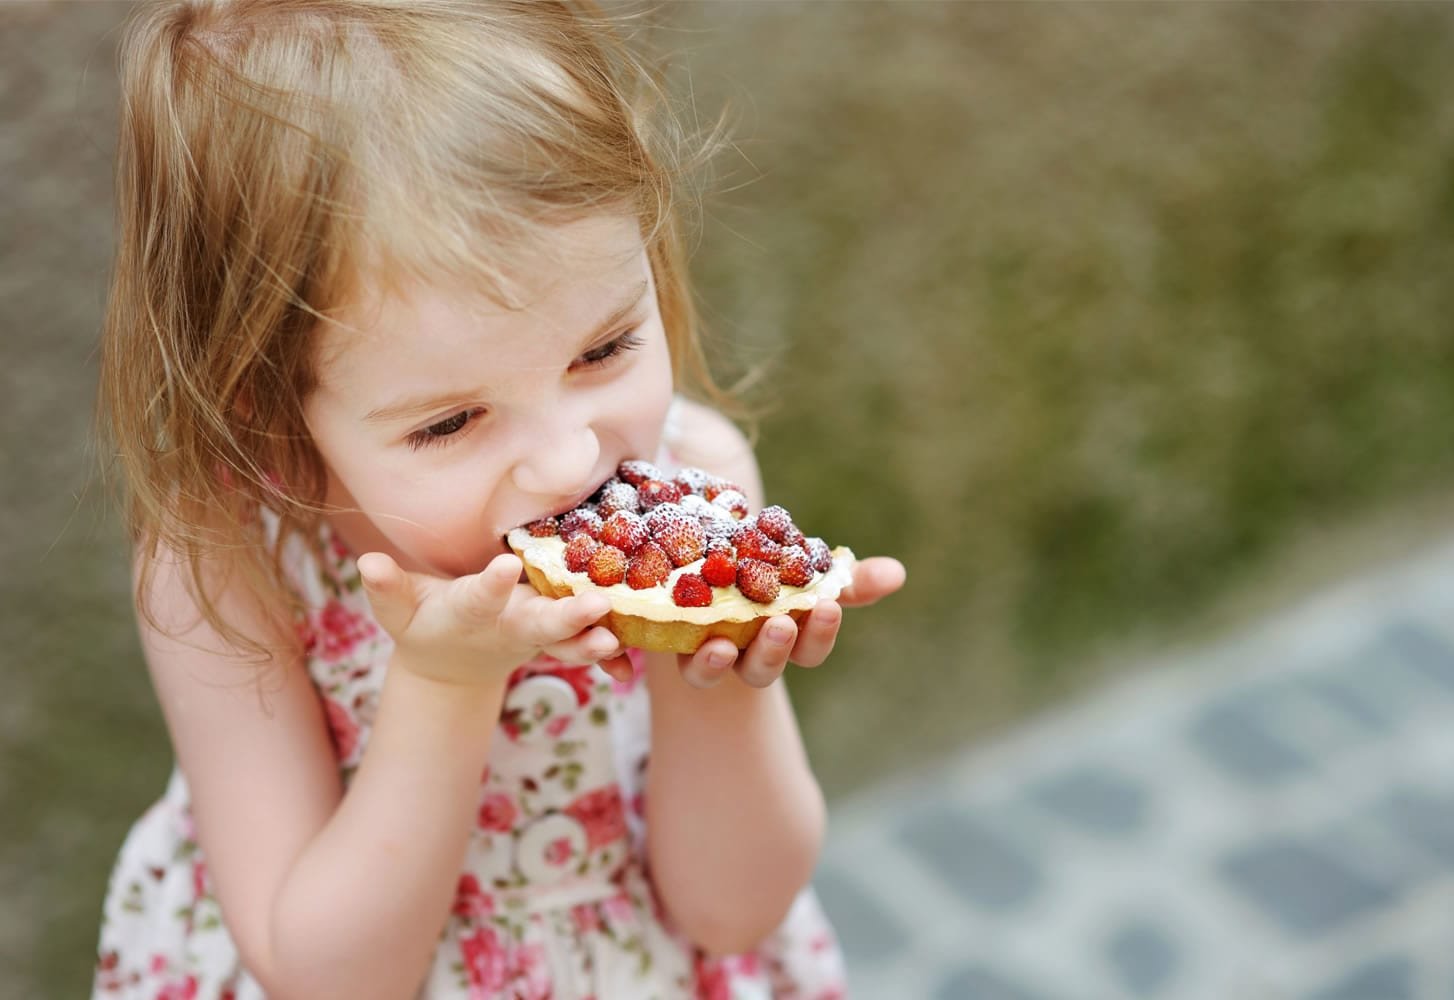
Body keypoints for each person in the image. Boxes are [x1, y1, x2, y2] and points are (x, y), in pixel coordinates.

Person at [91, 2, 906, 997]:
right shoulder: (224, 565)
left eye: (602, 350)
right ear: (267, 414)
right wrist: (445, 683)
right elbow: (327, 978)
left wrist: (722, 677)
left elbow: (732, 911)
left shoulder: (700, 477)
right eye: (449, 424)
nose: (568, 463)